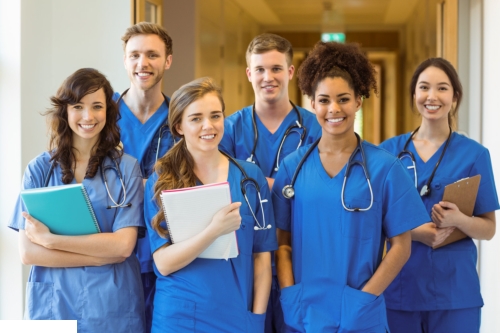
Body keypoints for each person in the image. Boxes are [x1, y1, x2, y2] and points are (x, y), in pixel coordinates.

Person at [273, 41, 430, 332]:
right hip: (303, 314)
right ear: (312, 103)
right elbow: (282, 243)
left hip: (360, 315)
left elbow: (401, 246)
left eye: (343, 99)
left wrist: (364, 300)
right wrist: (289, 295)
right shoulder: (292, 168)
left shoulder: (385, 169)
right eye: (324, 100)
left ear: (358, 101)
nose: (334, 109)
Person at [9, 68, 145, 332]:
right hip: (52, 305)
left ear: (108, 112)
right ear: (65, 111)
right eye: (78, 106)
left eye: (97, 106)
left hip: (110, 306)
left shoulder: (126, 168)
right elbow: (28, 253)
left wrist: (51, 241)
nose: (88, 116)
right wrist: (99, 256)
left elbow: (123, 247)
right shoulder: (39, 169)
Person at [144, 77, 277, 332]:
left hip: (237, 315)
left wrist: (257, 319)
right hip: (179, 316)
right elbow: (163, 262)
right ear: (179, 126)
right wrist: (214, 230)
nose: (209, 125)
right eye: (196, 118)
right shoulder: (161, 182)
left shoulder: (250, 178)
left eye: (216, 116)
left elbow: (262, 258)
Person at [380, 58, 499, 333]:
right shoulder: (388, 153)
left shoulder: (475, 155)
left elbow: (489, 229)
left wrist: (460, 220)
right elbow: (372, 220)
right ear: (414, 94)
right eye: (424, 87)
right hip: (399, 288)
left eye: (442, 88)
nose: (432, 96)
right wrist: (417, 233)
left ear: (455, 97)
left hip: (455, 294)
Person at [219, 33, 321, 333]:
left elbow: (322, 189)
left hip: (302, 256)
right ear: (249, 74)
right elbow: (218, 186)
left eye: (276, 68)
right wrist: (283, 184)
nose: (268, 77)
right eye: (260, 69)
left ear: (290, 72)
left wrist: (258, 182)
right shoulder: (229, 129)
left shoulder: (315, 128)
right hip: (246, 260)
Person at [115, 22, 174, 329]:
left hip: (164, 253)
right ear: (125, 60)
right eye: (135, 55)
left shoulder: (180, 118)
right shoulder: (102, 115)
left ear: (167, 60)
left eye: (152, 55)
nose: (143, 63)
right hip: (112, 258)